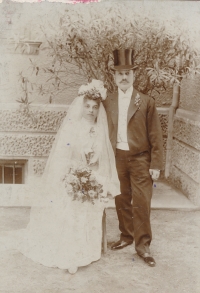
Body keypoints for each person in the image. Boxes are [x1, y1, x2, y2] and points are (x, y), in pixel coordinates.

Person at [5, 79, 120, 274]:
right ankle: (70, 252)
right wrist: (74, 175)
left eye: (94, 107)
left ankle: (85, 249)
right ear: (81, 107)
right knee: (71, 201)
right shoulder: (72, 128)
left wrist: (96, 180)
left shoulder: (101, 130)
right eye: (87, 106)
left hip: (91, 177)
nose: (91, 110)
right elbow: (62, 157)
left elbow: (103, 162)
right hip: (71, 174)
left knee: (92, 200)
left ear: (99, 109)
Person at [103, 49, 163, 267]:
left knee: (141, 202)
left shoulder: (146, 102)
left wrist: (156, 164)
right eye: (120, 74)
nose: (124, 77)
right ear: (114, 76)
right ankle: (126, 236)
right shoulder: (107, 101)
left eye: (128, 73)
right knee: (120, 199)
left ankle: (143, 245)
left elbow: (156, 135)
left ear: (134, 75)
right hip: (117, 157)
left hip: (139, 159)